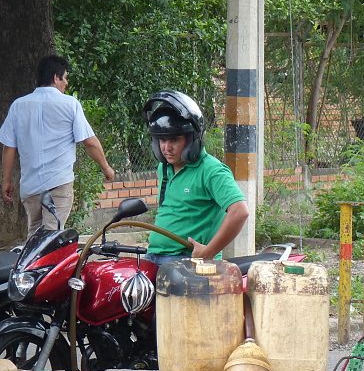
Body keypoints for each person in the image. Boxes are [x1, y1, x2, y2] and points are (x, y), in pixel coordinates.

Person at [0, 55, 115, 238]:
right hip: (58, 184)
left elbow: (9, 147)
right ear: (56, 77)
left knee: (35, 234)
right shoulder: (70, 104)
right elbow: (89, 142)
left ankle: (30, 265)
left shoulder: (18, 106)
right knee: (50, 239)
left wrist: (6, 181)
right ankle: (39, 266)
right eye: (65, 77)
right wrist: (107, 168)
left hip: (30, 187)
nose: (66, 83)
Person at [142, 90, 249, 264]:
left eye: (174, 140)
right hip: (153, 256)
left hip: (186, 262)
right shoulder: (165, 167)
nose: (166, 148)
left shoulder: (211, 170)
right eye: (162, 140)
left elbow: (240, 212)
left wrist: (209, 252)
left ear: (192, 139)